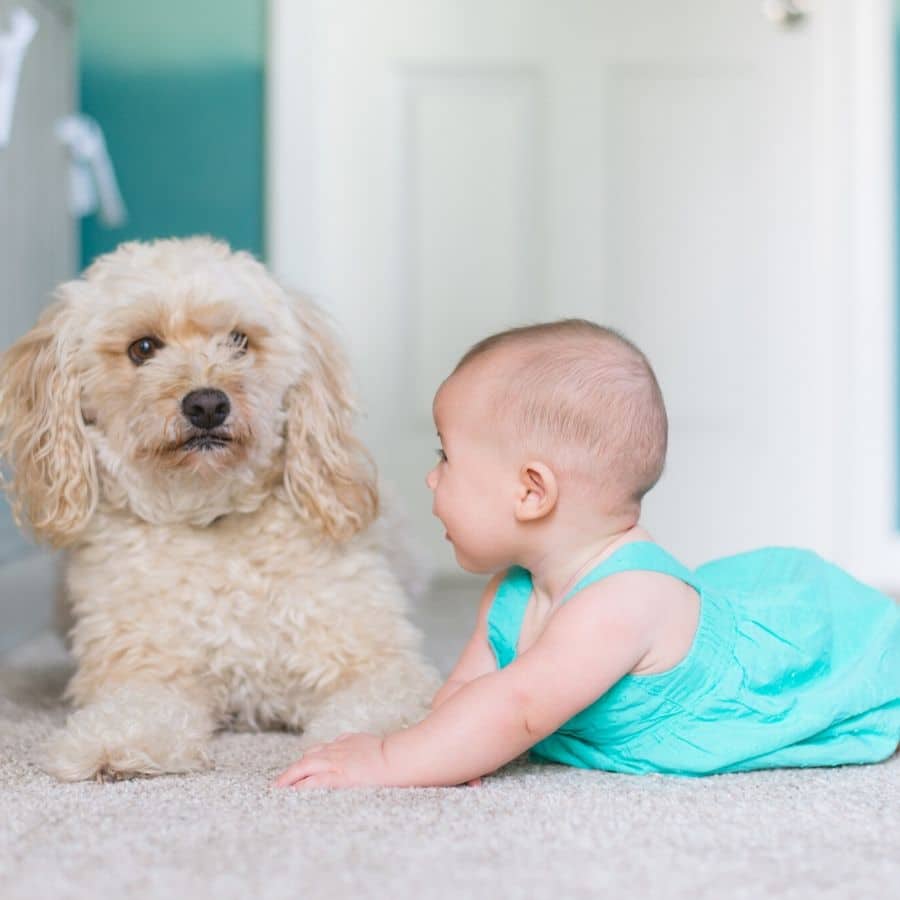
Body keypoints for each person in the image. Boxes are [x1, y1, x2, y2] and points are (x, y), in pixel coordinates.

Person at [275, 319, 900, 788]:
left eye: (446, 457)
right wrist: (441, 747)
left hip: (779, 663)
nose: (432, 479)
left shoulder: (623, 603)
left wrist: (388, 763)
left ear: (531, 490)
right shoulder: (512, 590)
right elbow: (472, 692)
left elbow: (516, 711)